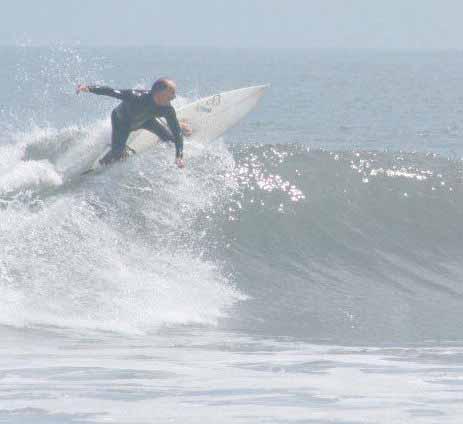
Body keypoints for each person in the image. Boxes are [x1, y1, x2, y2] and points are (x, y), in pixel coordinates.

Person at [76, 78, 191, 168]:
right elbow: (111, 91)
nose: (174, 97)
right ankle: (102, 164)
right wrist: (88, 88)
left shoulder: (167, 109)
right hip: (122, 122)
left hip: (146, 121)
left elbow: (176, 132)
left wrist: (179, 156)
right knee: (117, 153)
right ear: (160, 93)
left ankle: (180, 124)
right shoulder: (136, 96)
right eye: (171, 94)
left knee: (170, 140)